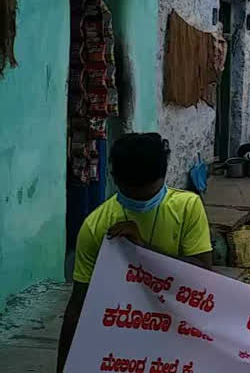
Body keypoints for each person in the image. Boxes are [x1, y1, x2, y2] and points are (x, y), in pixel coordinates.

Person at [57, 133, 213, 372]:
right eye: (134, 195)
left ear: (163, 177)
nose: (144, 201)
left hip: (177, 325)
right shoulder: (96, 226)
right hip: (126, 329)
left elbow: (203, 272)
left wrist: (142, 250)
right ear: (115, 180)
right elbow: (79, 303)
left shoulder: (187, 207)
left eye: (150, 193)